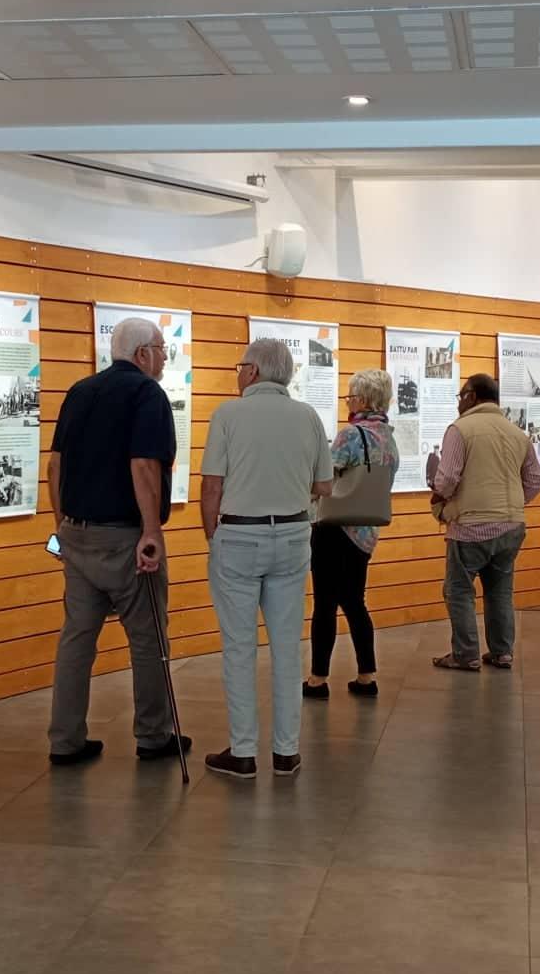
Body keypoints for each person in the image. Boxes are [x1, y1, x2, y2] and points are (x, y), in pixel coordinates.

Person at [44, 316, 189, 767]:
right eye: (163, 348)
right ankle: (152, 735)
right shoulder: (147, 393)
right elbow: (144, 464)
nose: (166, 357)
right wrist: (151, 531)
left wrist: (62, 525)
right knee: (147, 638)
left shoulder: (80, 391)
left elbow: (55, 466)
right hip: (125, 538)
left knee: (76, 639)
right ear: (143, 353)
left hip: (77, 534)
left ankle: (65, 740)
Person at [201, 337, 332, 780]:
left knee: (239, 648)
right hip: (294, 536)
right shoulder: (308, 416)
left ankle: (242, 751)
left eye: (241, 366)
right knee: (286, 647)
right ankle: (286, 751)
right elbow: (325, 486)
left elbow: (212, 487)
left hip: (238, 535)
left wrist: (212, 537)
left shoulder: (227, 414)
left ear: (253, 372)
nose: (237, 373)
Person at [429, 373, 540, 671]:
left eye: (460, 396)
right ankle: (502, 652)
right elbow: (534, 480)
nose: (458, 403)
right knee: (500, 590)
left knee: (458, 590)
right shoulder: (517, 433)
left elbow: (448, 477)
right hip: (512, 526)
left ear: (471, 396)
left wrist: (438, 498)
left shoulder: (461, 429)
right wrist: (514, 505)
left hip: (470, 527)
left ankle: (466, 654)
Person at [305, 368, 398, 701]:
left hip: (333, 528)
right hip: (365, 533)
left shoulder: (350, 435)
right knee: (356, 602)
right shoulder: (388, 436)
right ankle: (366, 674)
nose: (348, 401)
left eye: (350, 396)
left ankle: (318, 679)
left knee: (325, 605)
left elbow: (324, 478)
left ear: (361, 399)